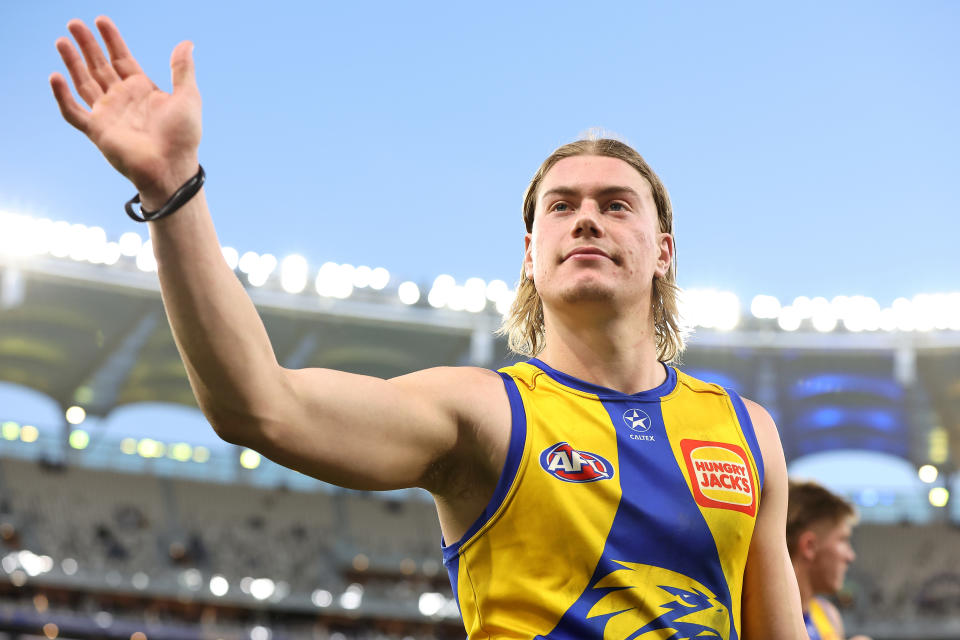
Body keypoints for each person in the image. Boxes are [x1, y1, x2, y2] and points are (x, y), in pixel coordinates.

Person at [50, 16, 805, 639]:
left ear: (662, 252)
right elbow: (260, 405)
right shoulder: (483, 414)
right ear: (532, 254)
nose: (586, 220)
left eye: (615, 205)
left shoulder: (747, 432)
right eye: (561, 206)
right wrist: (173, 192)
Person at [787, 480, 871, 640]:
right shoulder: (759, 618)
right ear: (809, 546)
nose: (850, 556)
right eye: (843, 540)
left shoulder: (828, 615)